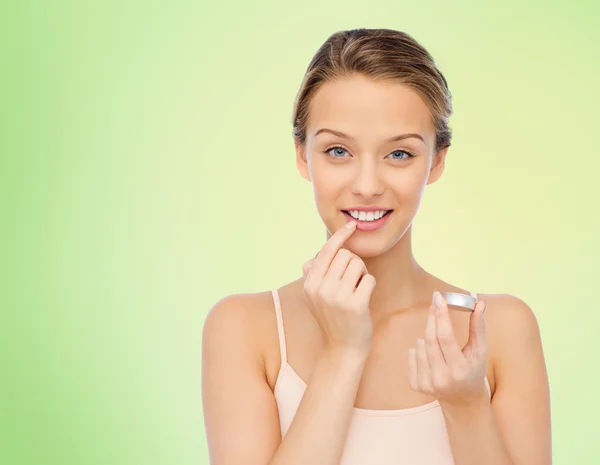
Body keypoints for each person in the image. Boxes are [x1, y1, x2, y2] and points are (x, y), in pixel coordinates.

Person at [201, 28, 551, 465]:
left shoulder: (499, 330)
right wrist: (342, 353)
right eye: (337, 151)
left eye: (399, 154)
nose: (367, 186)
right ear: (301, 155)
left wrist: (466, 406)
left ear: (437, 160)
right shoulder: (243, 330)